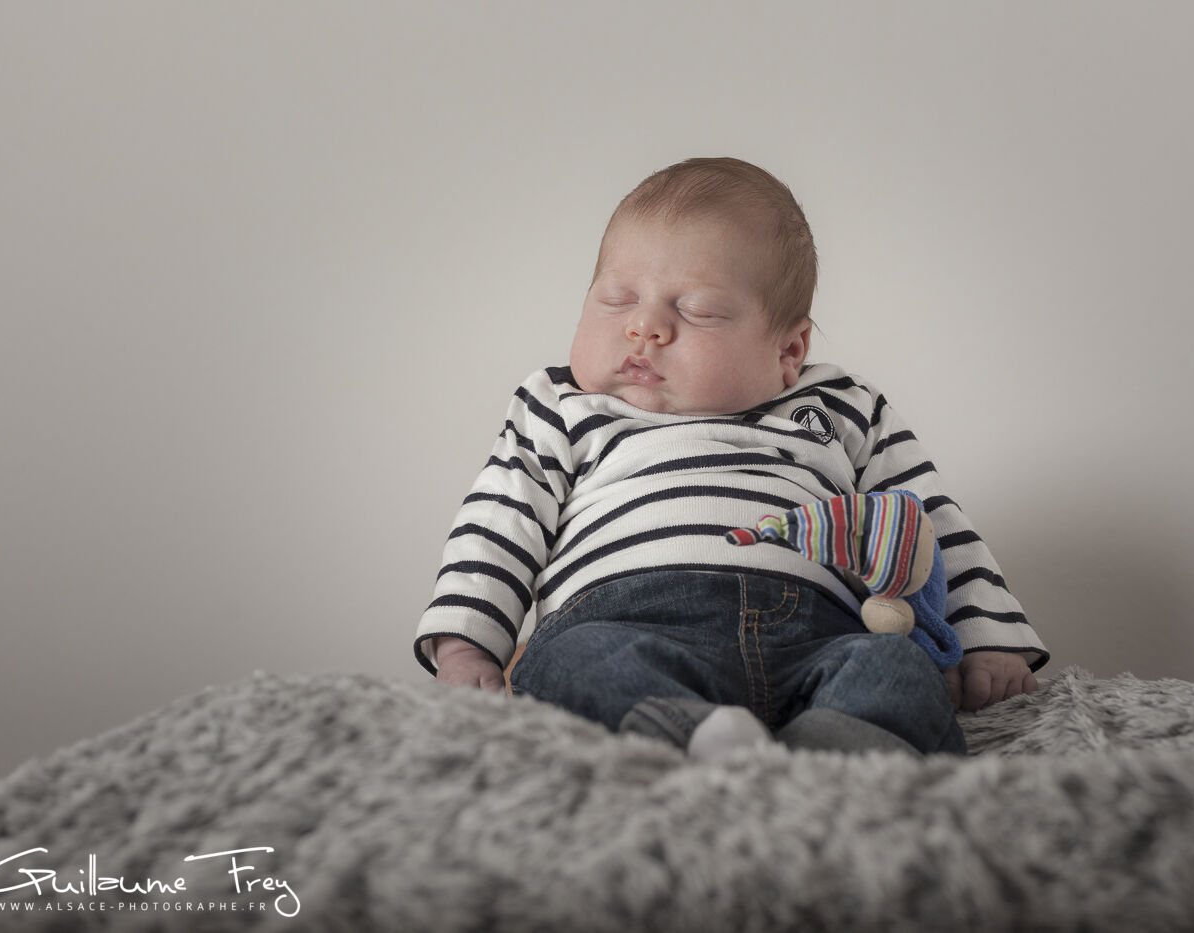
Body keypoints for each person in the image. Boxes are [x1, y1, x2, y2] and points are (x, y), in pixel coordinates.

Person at [415, 157, 1047, 759]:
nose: (644, 327)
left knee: (895, 667)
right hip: (625, 620)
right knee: (572, 660)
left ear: (788, 351)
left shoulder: (842, 407)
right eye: (617, 299)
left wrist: (986, 638)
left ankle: (840, 753)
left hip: (821, 632)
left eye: (697, 309)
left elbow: (928, 523)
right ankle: (687, 734)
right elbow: (499, 526)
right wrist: (467, 645)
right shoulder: (560, 406)